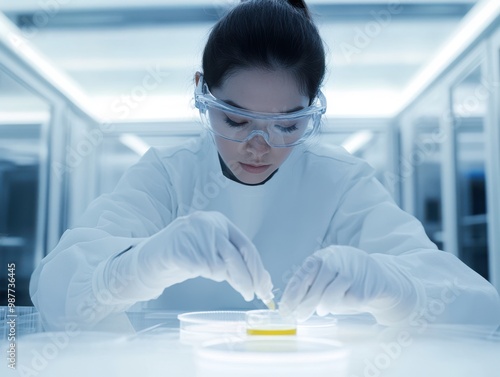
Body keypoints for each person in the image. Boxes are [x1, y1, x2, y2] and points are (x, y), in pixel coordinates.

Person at [30, 0, 500, 331]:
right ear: (201, 90)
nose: (259, 146)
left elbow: (480, 311)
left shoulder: (341, 182)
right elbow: (50, 294)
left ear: (313, 108)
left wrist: (391, 286)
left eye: (288, 125)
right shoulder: (167, 175)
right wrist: (142, 263)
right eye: (235, 119)